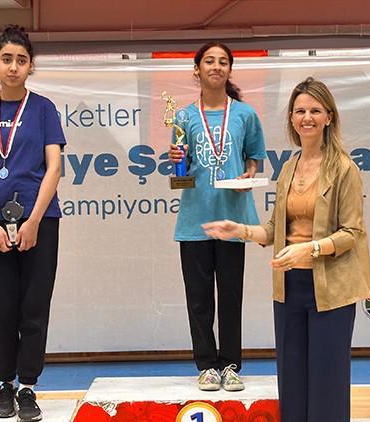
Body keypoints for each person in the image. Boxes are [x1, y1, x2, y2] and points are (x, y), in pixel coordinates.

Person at [203, 77, 370, 421]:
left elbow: (351, 233)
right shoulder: (289, 167)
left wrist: (309, 250)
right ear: (292, 119)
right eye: (300, 111)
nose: (307, 117)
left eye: (315, 111)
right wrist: (240, 230)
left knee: (326, 386)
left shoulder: (344, 168)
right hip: (289, 287)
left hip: (331, 291)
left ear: (329, 116)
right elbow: (274, 230)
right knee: (292, 384)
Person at [0, 25, 65, 422]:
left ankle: (28, 387)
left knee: (34, 306)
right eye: (7, 59)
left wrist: (34, 220)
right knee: (0, 308)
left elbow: (54, 167)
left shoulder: (44, 109)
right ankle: (4, 383)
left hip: (40, 222)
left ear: (30, 65)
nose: (14, 67)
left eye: (22, 60)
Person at [167, 41, 267, 392]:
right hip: (195, 219)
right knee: (198, 300)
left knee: (230, 296)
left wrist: (248, 174)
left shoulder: (245, 114)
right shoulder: (183, 117)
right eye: (209, 61)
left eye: (223, 61)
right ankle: (207, 366)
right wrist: (176, 162)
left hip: (233, 219)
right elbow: (180, 175)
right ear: (197, 69)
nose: (216, 66)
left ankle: (231, 364)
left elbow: (254, 158)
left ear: (229, 70)